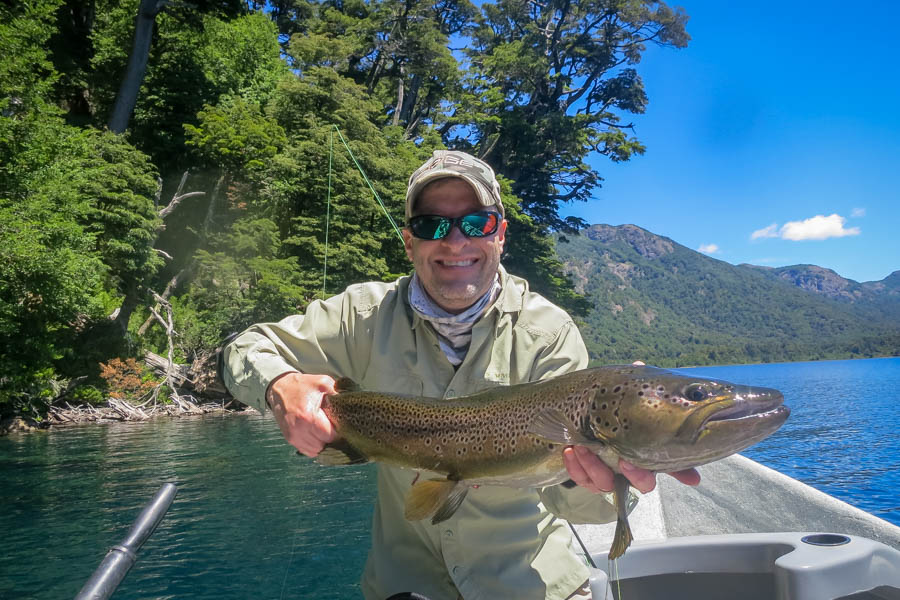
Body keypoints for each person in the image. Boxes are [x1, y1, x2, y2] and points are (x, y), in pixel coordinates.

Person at [223, 150, 699, 600]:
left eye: (477, 222)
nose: (455, 241)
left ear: (500, 234)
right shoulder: (361, 315)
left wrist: (596, 476)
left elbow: (581, 508)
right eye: (432, 225)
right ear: (410, 242)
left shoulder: (549, 332)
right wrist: (279, 386)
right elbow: (245, 349)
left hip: (529, 586)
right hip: (405, 585)